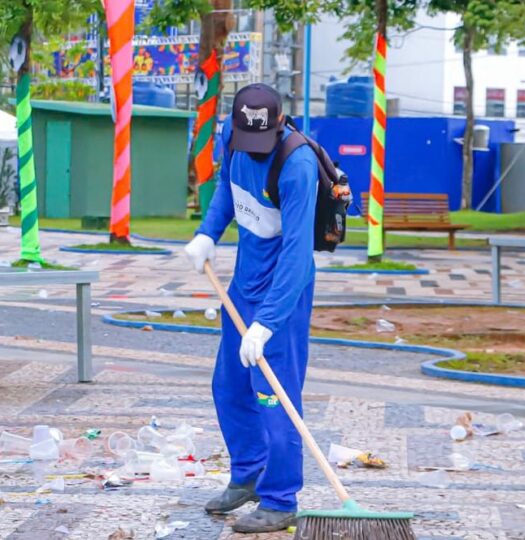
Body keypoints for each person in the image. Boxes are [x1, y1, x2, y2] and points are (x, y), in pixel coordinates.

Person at [183, 83, 318, 534]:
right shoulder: (232, 133)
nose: (252, 151)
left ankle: (281, 499)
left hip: (284, 291)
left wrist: (267, 323)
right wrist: (208, 233)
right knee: (229, 385)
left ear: (280, 123)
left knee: (274, 395)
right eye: (246, 140)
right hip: (243, 284)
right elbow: (227, 186)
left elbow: (297, 255)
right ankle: (249, 473)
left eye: (261, 142)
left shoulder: (297, 166)